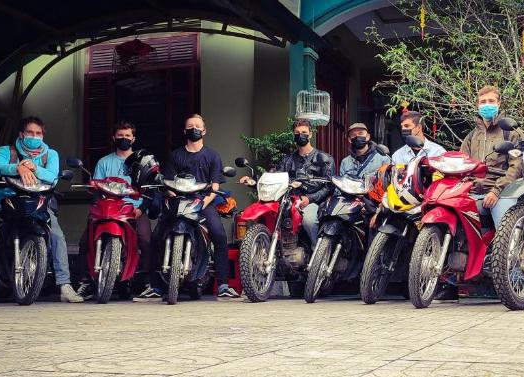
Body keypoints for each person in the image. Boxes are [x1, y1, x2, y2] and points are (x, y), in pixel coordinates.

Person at [0, 116, 83, 304]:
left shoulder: (50, 154)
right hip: (6, 199)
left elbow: (52, 177)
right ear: (22, 134)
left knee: (57, 236)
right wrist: (18, 167)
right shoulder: (7, 151)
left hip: (39, 202)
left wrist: (33, 167)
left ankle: (65, 285)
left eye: (38, 133)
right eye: (30, 133)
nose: (34, 136)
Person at [75, 121, 158, 302]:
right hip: (107, 208)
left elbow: (150, 189)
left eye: (127, 136)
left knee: (145, 239)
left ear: (133, 138)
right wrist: (96, 208)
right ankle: (86, 280)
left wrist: (141, 209)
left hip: (133, 208)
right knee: (84, 241)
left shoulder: (141, 162)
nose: (124, 139)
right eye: (120, 136)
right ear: (114, 137)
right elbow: (96, 188)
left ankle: (146, 283)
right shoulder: (104, 162)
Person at [161, 114, 239, 298]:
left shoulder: (212, 156)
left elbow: (216, 185)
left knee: (219, 235)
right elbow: (168, 183)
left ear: (204, 130)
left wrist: (205, 201)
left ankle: (223, 285)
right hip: (179, 201)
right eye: (190, 126)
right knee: (159, 234)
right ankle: (156, 286)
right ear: (184, 130)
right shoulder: (176, 155)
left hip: (203, 201)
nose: (194, 129)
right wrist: (173, 196)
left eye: (197, 126)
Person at [240, 119, 335, 242]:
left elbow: (329, 186)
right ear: (294, 135)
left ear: (310, 134)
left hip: (314, 202)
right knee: (270, 215)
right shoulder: (287, 159)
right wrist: (253, 180)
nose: (301, 135)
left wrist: (309, 199)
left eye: (304, 132)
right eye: (297, 132)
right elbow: (274, 177)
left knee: (309, 220)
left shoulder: (324, 158)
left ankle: (316, 256)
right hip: (289, 200)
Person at [460, 85, 524, 227]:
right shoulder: (471, 137)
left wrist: (496, 191)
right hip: (472, 192)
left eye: (491, 101)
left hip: (503, 192)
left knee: (505, 235)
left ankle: (511, 249)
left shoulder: (511, 132)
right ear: (477, 105)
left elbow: (516, 167)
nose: (487, 105)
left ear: (499, 104)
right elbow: (461, 166)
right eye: (483, 102)